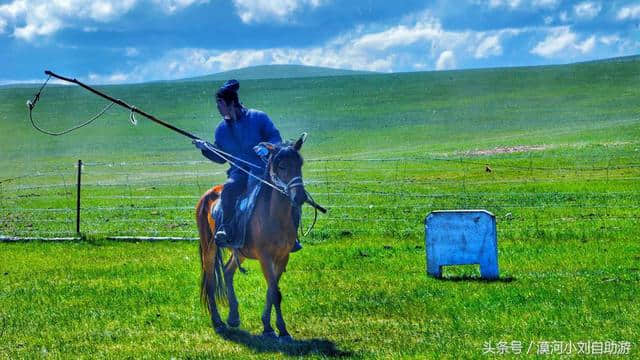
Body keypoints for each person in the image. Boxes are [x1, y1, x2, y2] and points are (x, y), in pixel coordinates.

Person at [193, 79, 302, 252]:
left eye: (219, 104)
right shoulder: (221, 130)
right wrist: (206, 149)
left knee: (290, 192)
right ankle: (226, 230)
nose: (218, 108)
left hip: (265, 172)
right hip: (239, 174)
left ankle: (292, 235)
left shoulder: (258, 118)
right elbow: (221, 157)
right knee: (228, 189)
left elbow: (276, 139)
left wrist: (267, 148)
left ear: (230, 103)